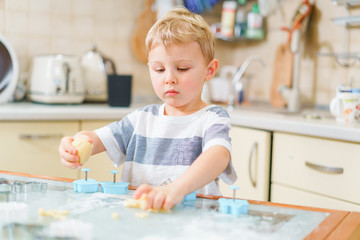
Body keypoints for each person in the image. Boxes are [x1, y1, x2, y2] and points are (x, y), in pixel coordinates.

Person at [59, 7, 237, 211]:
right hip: (143, 221)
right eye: (159, 69)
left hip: (194, 225)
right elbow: (96, 139)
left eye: (182, 68)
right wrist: (75, 144)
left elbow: (218, 156)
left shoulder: (212, 118)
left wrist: (175, 189)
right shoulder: (141, 119)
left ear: (209, 70)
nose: (169, 78)